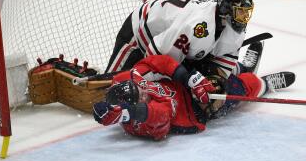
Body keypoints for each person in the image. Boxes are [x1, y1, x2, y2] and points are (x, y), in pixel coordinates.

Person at [93, 54, 295, 140]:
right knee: (229, 91)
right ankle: (264, 84)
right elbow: (161, 116)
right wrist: (130, 113)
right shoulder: (141, 124)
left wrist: (186, 77)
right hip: (195, 110)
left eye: (139, 88)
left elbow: (155, 62)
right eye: (141, 97)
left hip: (181, 84)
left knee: (211, 67)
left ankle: (243, 66)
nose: (145, 91)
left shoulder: (125, 80)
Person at [105, 0, 254, 80]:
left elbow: (223, 60)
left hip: (176, 41)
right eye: (240, 12)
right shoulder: (195, 26)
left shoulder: (229, 24)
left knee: (204, 76)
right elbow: (157, 59)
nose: (244, 18)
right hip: (141, 30)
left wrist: (216, 82)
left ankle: (240, 68)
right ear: (226, 10)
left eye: (245, 13)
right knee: (111, 84)